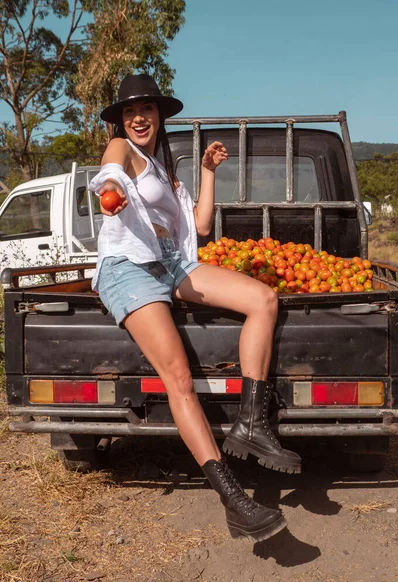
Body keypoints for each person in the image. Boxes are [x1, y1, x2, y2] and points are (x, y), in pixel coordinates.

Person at [89, 73, 301, 542]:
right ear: (121, 121)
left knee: (263, 299)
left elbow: (201, 227)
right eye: (129, 112)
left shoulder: (163, 169)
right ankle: (234, 500)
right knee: (180, 380)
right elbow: (108, 169)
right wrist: (112, 188)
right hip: (128, 268)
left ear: (160, 115)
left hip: (170, 264)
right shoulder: (122, 151)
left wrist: (207, 172)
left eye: (146, 110)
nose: (138, 118)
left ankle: (250, 422)